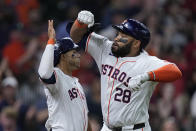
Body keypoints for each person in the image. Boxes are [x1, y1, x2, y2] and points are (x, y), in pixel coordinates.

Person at [69, 10, 182, 131]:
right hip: (107, 127)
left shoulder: (147, 62)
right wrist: (80, 24)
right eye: (118, 34)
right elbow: (75, 36)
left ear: (136, 43)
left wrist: (146, 76)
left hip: (134, 128)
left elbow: (175, 71)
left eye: (124, 36)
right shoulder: (105, 48)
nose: (117, 38)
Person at [38, 20, 91, 131]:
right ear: (63, 56)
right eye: (74, 52)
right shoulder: (57, 77)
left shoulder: (76, 83)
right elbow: (44, 73)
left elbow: (85, 117)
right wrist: (51, 41)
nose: (78, 55)